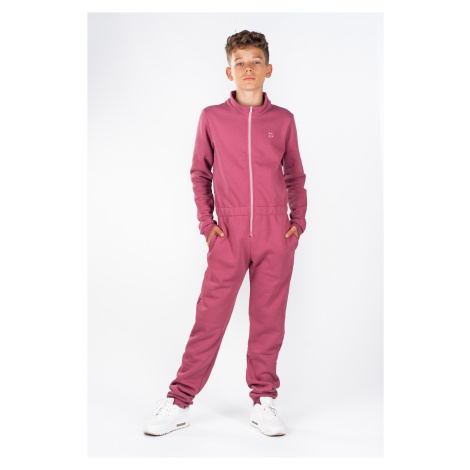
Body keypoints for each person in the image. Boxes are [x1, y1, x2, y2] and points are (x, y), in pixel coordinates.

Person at [144, 30, 307, 437]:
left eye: (256, 62)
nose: (248, 69)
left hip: (275, 233)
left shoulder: (283, 120)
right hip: (228, 234)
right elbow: (200, 173)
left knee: (268, 320)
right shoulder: (212, 118)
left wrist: (296, 224)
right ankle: (179, 400)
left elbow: (295, 175)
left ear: (268, 69)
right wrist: (208, 226)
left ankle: (264, 400)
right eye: (240, 63)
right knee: (209, 319)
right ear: (229, 71)